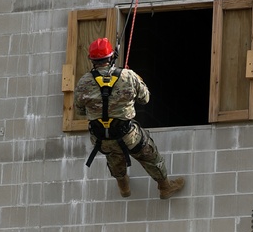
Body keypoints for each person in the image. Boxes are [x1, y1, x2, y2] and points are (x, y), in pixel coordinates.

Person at [74, 38, 185, 200]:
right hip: (128, 135)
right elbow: (145, 99)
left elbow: (79, 111)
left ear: (92, 60)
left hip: (101, 137)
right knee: (150, 155)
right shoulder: (128, 76)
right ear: (111, 57)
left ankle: (123, 186)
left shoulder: (83, 82)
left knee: (113, 155)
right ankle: (165, 186)